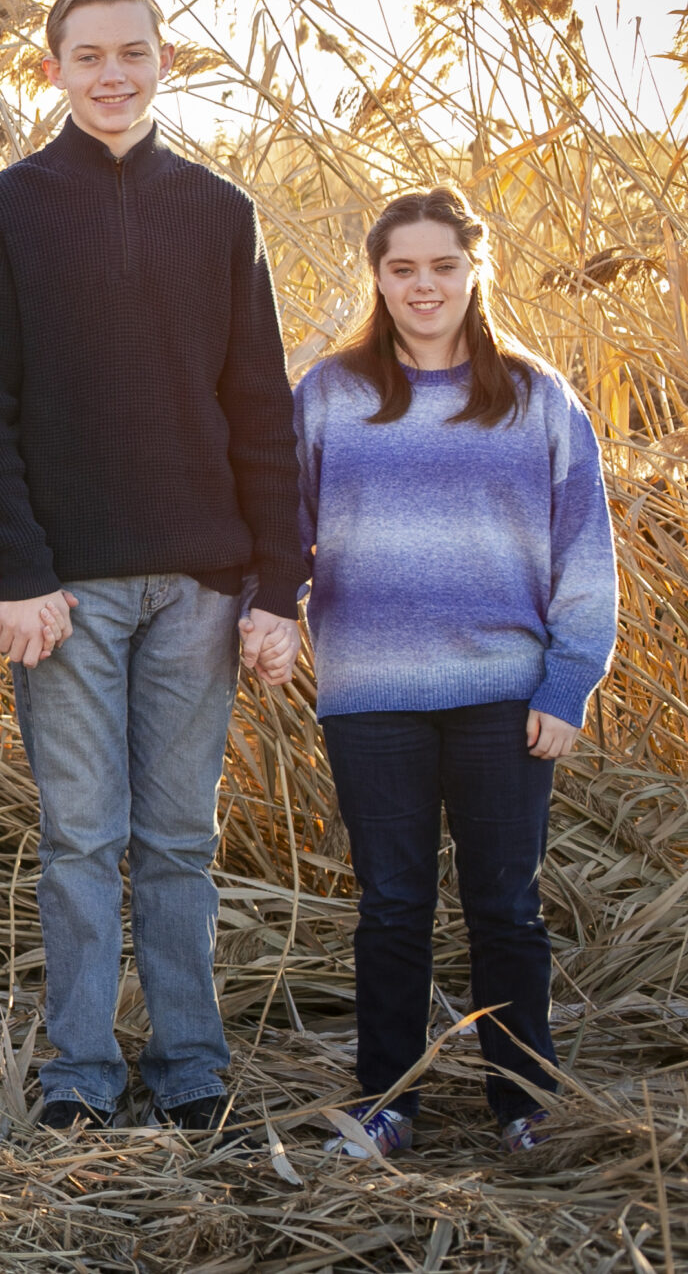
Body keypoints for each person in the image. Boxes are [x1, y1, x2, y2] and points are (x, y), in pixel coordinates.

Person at [0, 0, 305, 1134]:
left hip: (197, 586)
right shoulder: (7, 208)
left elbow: (259, 405)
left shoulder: (218, 209)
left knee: (178, 840)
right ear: (51, 69)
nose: (111, 73)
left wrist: (274, 586)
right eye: (87, 55)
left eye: (132, 53)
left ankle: (190, 1059)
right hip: (65, 591)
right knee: (80, 838)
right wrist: (17, 572)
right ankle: (82, 1070)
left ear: (163, 62)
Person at [296, 186, 615, 1160]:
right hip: (371, 694)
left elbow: (585, 556)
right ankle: (386, 1103)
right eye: (401, 269)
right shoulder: (329, 394)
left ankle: (523, 1104)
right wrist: (261, 614)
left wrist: (567, 686)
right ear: (378, 278)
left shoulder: (534, 397)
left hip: (503, 698)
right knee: (390, 904)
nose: (421, 285)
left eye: (442, 265)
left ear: (475, 267)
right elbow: (281, 530)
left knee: (503, 905)